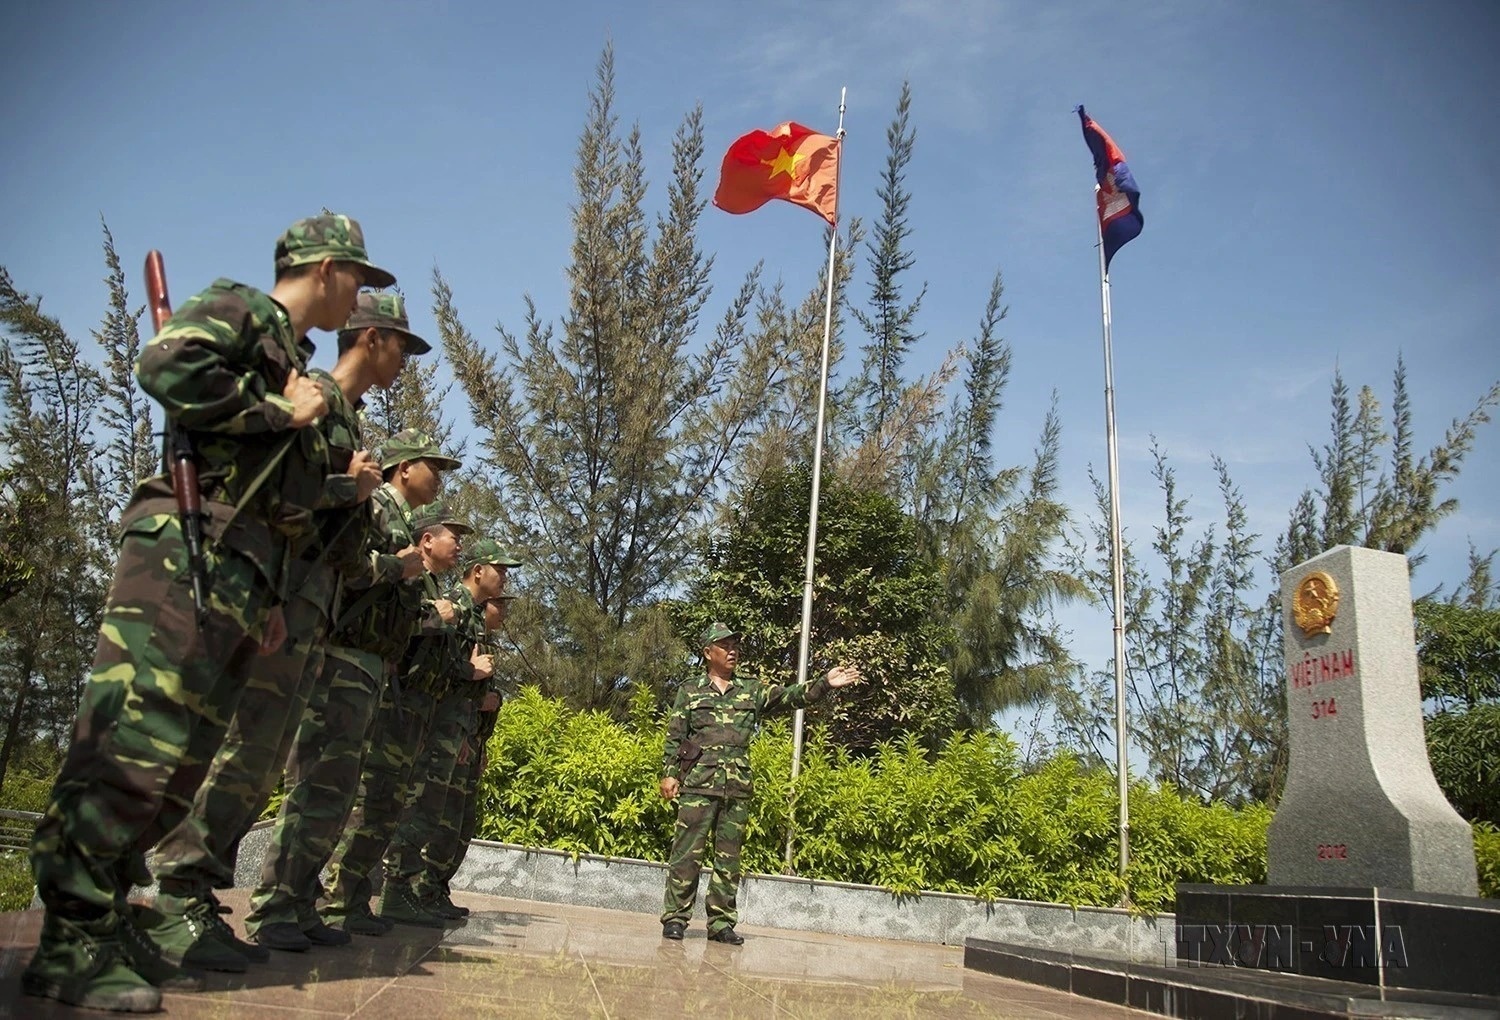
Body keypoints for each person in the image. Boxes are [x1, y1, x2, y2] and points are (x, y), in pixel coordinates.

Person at [24, 213, 393, 1012]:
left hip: (242, 573)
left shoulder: (291, 359)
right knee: (132, 742)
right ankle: (71, 936)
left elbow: (289, 500)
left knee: (179, 765)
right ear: (325, 269)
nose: (361, 296)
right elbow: (163, 363)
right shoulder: (241, 309)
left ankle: (111, 913)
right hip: (180, 551)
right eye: (359, 279)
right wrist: (277, 414)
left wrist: (269, 594)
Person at [145, 291, 426, 970]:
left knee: (263, 759)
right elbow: (271, 497)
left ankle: (228, 896)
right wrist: (348, 493)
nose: (405, 363)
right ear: (373, 339)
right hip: (279, 598)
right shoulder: (317, 403)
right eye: (401, 346)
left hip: (305, 610)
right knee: (243, 752)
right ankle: (176, 894)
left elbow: (328, 534)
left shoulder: (346, 422)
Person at [244, 428, 456, 950]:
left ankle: (298, 902)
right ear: (404, 467)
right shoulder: (378, 509)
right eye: (434, 465)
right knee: (316, 788)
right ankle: (274, 907)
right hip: (339, 662)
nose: (441, 477)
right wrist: (396, 568)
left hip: (368, 668)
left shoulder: (398, 519)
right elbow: (341, 566)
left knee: (336, 796)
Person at [320, 500, 472, 932]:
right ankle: (334, 897)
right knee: (372, 801)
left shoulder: (430, 587)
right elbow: (392, 628)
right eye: (453, 537)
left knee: (388, 806)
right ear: (427, 540)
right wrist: (432, 618)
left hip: (412, 711)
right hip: (391, 704)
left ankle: (348, 901)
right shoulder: (418, 584)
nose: (459, 546)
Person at [659, 623, 861, 945]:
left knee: (729, 860)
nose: (732, 650)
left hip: (736, 787)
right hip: (698, 785)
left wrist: (825, 683)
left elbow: (791, 697)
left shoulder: (750, 690)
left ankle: (721, 924)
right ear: (708, 652)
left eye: (735, 645)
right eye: (724, 645)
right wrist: (669, 774)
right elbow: (675, 736)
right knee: (686, 855)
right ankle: (675, 919)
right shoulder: (690, 690)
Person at [383, 538, 519, 920]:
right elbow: (426, 667)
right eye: (501, 570)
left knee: (434, 815)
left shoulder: (468, 615)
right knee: (421, 812)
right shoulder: (452, 608)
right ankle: (399, 893)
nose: (505, 579)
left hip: (452, 729)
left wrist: (471, 730)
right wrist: (469, 675)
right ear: (479, 572)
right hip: (431, 723)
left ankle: (414, 893)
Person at [425, 590, 514, 914]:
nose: (503, 611)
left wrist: (479, 742)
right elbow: (450, 689)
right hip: (451, 739)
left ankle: (435, 890)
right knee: (442, 821)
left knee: (461, 825)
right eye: (498, 604)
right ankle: (422, 889)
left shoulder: (485, 645)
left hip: (469, 742)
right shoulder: (463, 637)